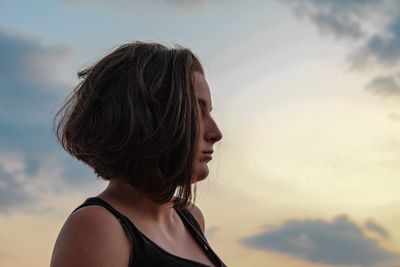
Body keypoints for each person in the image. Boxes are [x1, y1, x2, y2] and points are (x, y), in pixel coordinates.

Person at [50, 42, 226, 267]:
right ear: (147, 119)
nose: (216, 133)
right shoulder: (98, 226)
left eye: (209, 113)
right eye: (195, 112)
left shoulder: (190, 218)